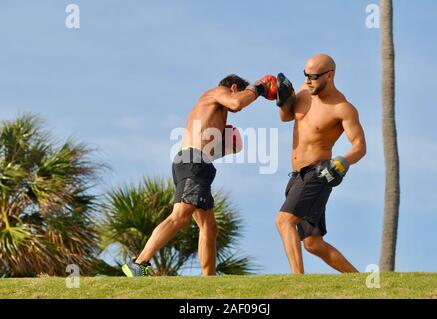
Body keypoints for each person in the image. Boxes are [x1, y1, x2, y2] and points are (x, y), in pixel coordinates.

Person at [122, 74, 277, 276]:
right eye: (241, 91)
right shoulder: (217, 93)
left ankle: (208, 280)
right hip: (193, 162)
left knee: (209, 227)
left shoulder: (215, 112)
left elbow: (216, 144)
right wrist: (259, 88)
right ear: (233, 87)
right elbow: (237, 102)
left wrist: (226, 144)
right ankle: (139, 264)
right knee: (179, 217)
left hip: (199, 164)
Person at [275, 54, 367, 274]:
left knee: (283, 221)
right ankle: (360, 284)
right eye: (305, 75)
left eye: (313, 77)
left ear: (329, 75)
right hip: (296, 176)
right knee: (312, 243)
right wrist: (283, 101)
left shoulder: (342, 108)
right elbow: (287, 117)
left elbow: (360, 146)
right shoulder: (304, 91)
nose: (307, 81)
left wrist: (342, 162)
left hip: (318, 174)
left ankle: (297, 284)